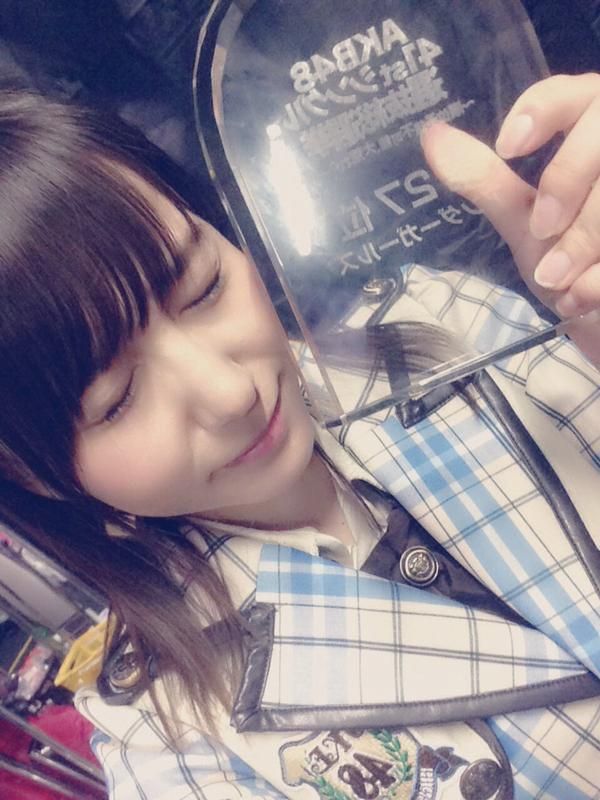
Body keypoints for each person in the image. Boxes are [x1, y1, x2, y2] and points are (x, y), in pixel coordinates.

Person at [0, 73, 599, 800]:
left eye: (204, 288)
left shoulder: (446, 323)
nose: (231, 392)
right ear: (30, 473)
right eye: (117, 400)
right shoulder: (173, 742)